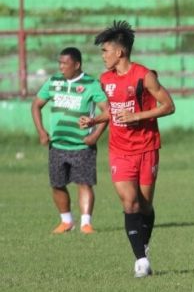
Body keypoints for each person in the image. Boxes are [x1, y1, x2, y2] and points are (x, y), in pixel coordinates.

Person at [79, 21, 175, 278]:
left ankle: (142, 245)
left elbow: (168, 106)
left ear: (119, 52)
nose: (103, 56)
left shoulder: (144, 76)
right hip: (119, 150)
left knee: (144, 206)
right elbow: (111, 112)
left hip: (147, 147)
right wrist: (94, 121)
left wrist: (138, 116)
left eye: (105, 51)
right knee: (129, 203)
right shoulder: (105, 79)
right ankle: (141, 260)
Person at [32, 47, 108, 235]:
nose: (61, 67)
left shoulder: (91, 84)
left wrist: (95, 135)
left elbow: (108, 112)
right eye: (59, 63)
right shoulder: (53, 82)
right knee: (57, 184)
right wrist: (41, 131)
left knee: (84, 183)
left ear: (77, 64)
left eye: (65, 63)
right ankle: (66, 221)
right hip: (57, 144)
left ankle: (86, 224)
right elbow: (36, 105)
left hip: (82, 145)